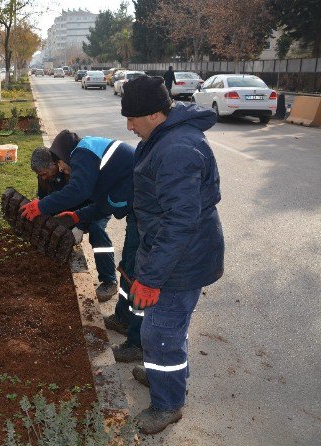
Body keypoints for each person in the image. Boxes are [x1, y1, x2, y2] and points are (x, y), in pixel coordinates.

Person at [121, 75, 224, 435]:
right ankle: (160, 374)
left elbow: (180, 222)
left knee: (161, 333)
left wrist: (150, 278)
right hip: (174, 251)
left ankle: (168, 405)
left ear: (153, 114)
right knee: (164, 329)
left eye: (132, 118)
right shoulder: (163, 138)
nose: (129, 126)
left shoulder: (177, 150)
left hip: (184, 258)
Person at [21, 132, 143, 361]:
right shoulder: (89, 161)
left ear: (62, 157)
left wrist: (42, 206)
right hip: (135, 205)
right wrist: (77, 216)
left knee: (136, 272)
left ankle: (138, 342)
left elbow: (79, 191)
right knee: (128, 265)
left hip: (146, 208)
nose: (65, 171)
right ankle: (123, 319)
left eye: (62, 166)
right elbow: (103, 204)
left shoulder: (83, 153)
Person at [30, 147, 118, 300]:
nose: (42, 178)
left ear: (54, 164)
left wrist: (80, 227)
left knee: (96, 230)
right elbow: (46, 202)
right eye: (40, 175)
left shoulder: (73, 171)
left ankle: (109, 281)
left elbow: (91, 203)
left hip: (96, 206)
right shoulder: (44, 177)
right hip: (70, 212)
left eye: (44, 173)